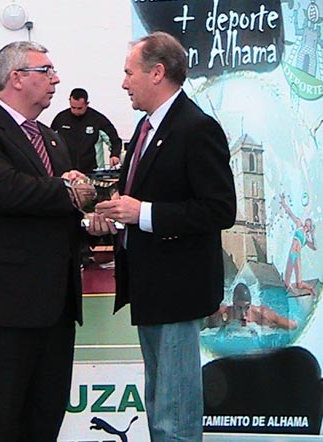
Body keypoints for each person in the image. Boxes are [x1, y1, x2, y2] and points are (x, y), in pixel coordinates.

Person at [87, 32, 236, 441]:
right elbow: (142, 197)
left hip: (178, 287)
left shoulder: (196, 128)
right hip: (150, 285)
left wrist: (143, 213)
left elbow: (220, 209)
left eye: (128, 72)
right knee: (160, 403)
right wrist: (117, 216)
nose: (123, 83)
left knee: (174, 411)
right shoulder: (145, 127)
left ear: (157, 73)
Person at [0, 41, 87, 441]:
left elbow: (60, 205)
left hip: (55, 305)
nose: (56, 79)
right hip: (0, 305)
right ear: (17, 78)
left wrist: (90, 217)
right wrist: (69, 191)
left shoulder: (53, 138)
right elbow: (5, 191)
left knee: (45, 418)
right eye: (47, 71)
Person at [51, 87, 122, 173]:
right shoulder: (61, 118)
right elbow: (50, 140)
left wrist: (114, 155)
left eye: (80, 108)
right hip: (66, 171)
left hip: (92, 170)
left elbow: (114, 139)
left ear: (87, 104)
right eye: (73, 107)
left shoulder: (97, 119)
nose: (76, 111)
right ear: (69, 101)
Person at [203, 283, 298, 330]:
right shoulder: (222, 314)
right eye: (239, 308)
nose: (243, 314)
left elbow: (293, 326)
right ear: (233, 304)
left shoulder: (262, 316)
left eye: (247, 307)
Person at [280, 193, 316, 295]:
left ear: (310, 227)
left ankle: (311, 289)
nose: (308, 222)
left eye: (310, 222)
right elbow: (290, 213)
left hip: (297, 256)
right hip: (291, 254)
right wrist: (283, 202)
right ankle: (293, 294)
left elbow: (314, 247)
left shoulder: (306, 238)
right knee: (287, 282)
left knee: (299, 283)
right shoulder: (299, 224)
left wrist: (312, 235)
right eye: (308, 221)